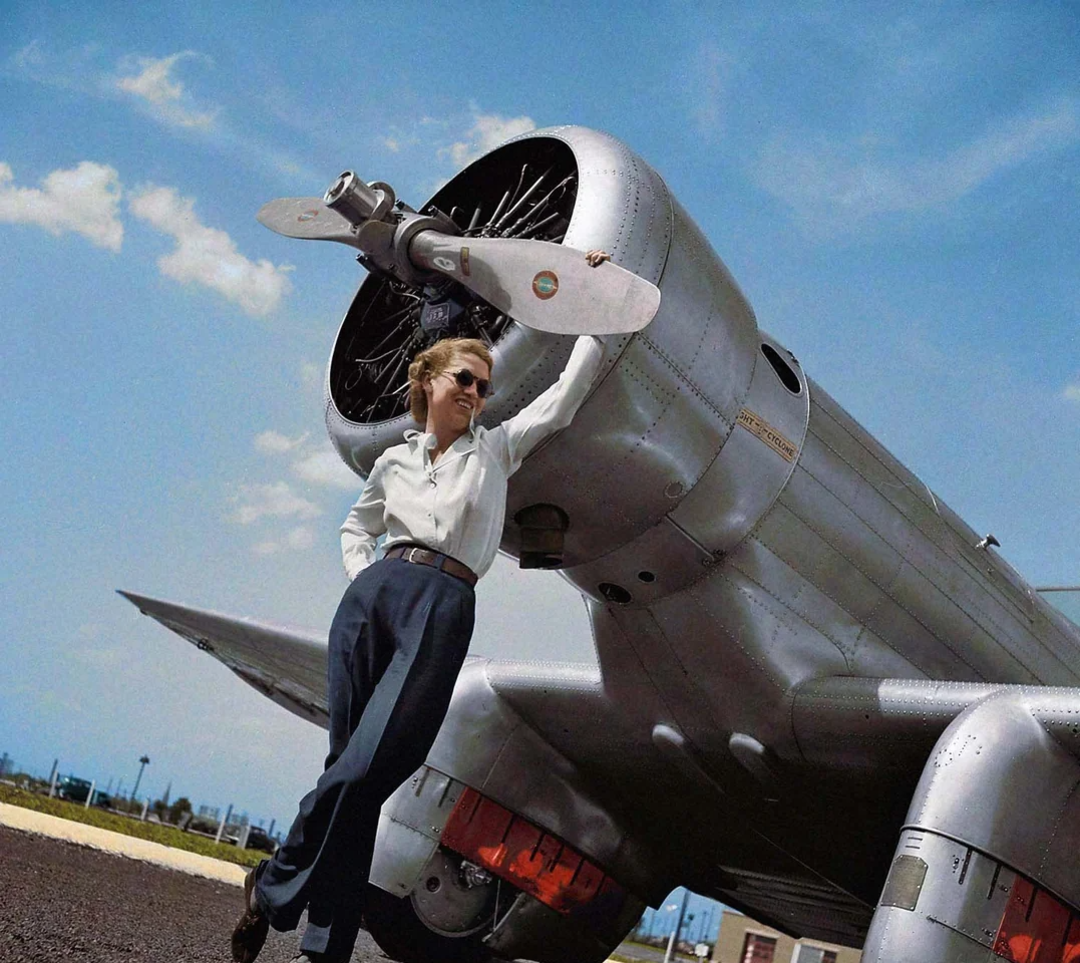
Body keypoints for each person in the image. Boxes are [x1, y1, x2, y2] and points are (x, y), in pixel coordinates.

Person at [231, 250, 611, 963]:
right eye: (464, 378)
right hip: (374, 597)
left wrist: (596, 307)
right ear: (429, 381)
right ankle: (325, 948)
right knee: (351, 768)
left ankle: (273, 884)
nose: (476, 390)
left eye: (484, 383)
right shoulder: (394, 462)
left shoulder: (496, 450)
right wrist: (359, 576)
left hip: (442, 602)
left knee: (370, 765)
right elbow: (356, 525)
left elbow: (562, 401)